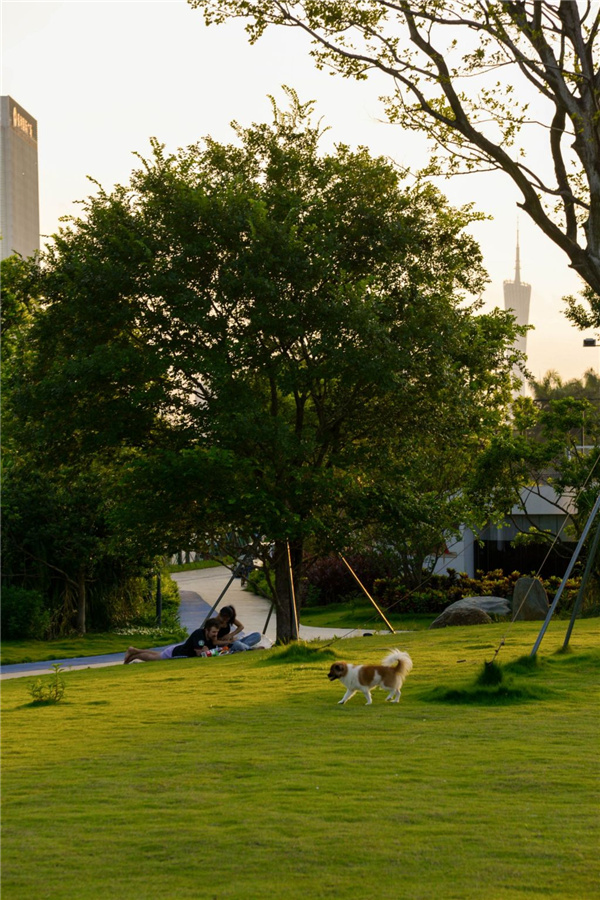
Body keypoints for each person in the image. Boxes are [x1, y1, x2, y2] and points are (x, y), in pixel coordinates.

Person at [124, 618, 221, 663]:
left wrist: (209, 651)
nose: (215, 634)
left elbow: (213, 652)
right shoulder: (199, 634)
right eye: (213, 632)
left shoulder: (211, 638)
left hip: (177, 649)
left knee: (157, 654)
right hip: (176, 653)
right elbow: (199, 654)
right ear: (206, 630)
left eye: (217, 632)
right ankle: (135, 655)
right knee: (155, 658)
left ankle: (134, 650)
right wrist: (207, 652)